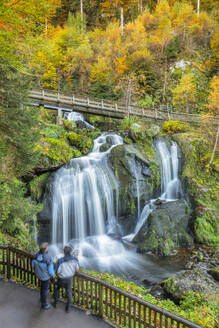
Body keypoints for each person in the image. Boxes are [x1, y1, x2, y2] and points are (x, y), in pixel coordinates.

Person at [53, 246, 79, 312]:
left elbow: (56, 271)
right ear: (70, 252)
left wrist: (58, 274)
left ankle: (55, 303)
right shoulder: (75, 260)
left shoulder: (60, 260)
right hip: (70, 278)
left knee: (57, 289)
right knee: (69, 292)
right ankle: (67, 308)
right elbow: (77, 269)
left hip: (61, 278)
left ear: (64, 252)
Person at [32, 242, 55, 310]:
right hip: (45, 277)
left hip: (39, 275)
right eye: (47, 247)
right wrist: (53, 277)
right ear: (46, 249)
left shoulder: (35, 255)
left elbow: (33, 265)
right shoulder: (48, 259)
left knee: (42, 287)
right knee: (45, 290)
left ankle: (41, 298)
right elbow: (51, 271)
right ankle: (44, 304)